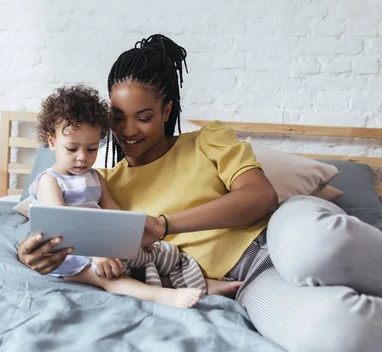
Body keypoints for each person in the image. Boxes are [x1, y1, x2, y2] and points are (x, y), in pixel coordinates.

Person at [18, 34, 382, 351]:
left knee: (318, 247)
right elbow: (58, 221)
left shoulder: (208, 139)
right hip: (245, 281)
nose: (129, 130)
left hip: (277, 231)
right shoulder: (102, 184)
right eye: (117, 117)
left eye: (143, 116)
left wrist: (163, 224)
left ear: (166, 111)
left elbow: (260, 197)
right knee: (339, 333)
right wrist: (31, 253)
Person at [29, 85, 240, 308]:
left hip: (101, 244)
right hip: (72, 254)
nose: (82, 158)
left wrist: (135, 236)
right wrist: (96, 254)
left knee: (161, 253)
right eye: (72, 149)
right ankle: (164, 296)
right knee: (109, 278)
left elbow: (115, 212)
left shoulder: (95, 177)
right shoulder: (50, 181)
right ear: (52, 141)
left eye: (91, 149)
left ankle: (198, 282)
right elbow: (64, 228)